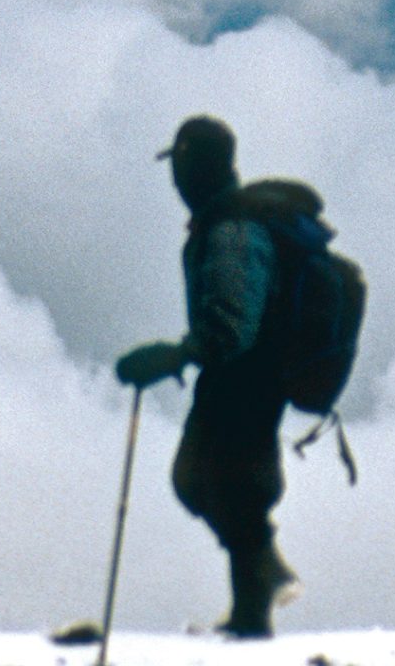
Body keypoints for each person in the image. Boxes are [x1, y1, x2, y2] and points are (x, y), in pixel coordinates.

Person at [115, 115, 303, 639]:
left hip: (250, 377)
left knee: (222, 482)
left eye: (181, 165)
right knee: (205, 480)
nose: (176, 179)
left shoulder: (232, 230)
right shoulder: (222, 223)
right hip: (240, 376)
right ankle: (255, 599)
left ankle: (257, 600)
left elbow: (233, 325)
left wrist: (173, 356)